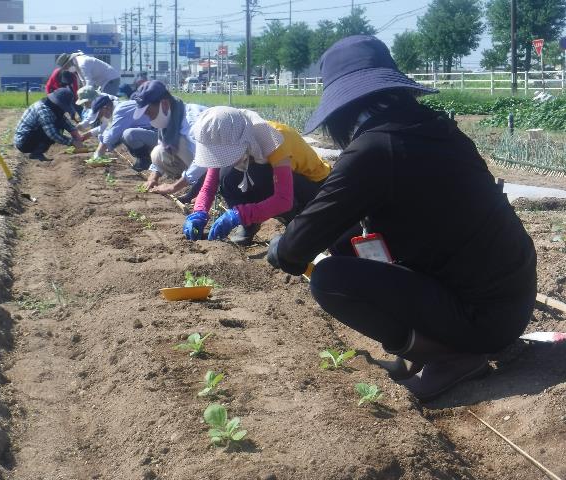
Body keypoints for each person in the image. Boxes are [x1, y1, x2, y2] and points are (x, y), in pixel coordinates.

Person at [266, 36, 537, 402]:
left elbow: (293, 253)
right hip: (513, 300)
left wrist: (280, 245)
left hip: (482, 318)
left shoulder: (374, 148)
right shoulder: (437, 128)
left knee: (330, 279)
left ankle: (450, 356)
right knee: (346, 240)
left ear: (343, 108)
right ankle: (426, 348)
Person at [183, 106, 332, 246]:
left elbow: (283, 199)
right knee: (226, 177)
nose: (219, 160)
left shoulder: (273, 138)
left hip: (314, 186)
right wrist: (199, 213)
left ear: (241, 144)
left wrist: (239, 214)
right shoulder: (225, 135)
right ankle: (250, 224)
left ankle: (295, 225)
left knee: (263, 176)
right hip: (277, 179)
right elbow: (209, 187)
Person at [132, 80, 208, 189]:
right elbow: (161, 152)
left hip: (219, 165)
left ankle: (202, 184)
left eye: (149, 113)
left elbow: (204, 159)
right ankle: (192, 179)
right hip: (198, 161)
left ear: (164, 104)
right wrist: (153, 178)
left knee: (181, 142)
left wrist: (174, 187)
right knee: (158, 152)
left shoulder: (192, 122)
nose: (149, 119)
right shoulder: (168, 121)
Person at [14, 88, 86, 161]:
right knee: (54, 129)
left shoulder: (52, 107)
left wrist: (75, 133)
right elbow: (52, 134)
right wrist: (72, 142)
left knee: (58, 124)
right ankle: (36, 152)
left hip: (31, 136)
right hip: (23, 142)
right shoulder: (43, 110)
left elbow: (64, 121)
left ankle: (37, 153)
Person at [86, 94, 157, 168]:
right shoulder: (118, 107)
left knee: (129, 134)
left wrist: (99, 154)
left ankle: (145, 161)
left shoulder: (120, 109)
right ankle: (146, 158)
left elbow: (113, 134)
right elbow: (108, 131)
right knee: (125, 135)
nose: (102, 117)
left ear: (105, 108)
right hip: (154, 133)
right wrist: (98, 152)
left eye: (101, 114)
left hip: (163, 137)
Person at [56, 52, 121, 96]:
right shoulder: (77, 64)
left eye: (66, 68)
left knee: (107, 101)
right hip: (104, 82)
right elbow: (83, 82)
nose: (67, 70)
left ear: (69, 63)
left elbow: (89, 83)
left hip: (110, 79)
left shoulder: (82, 64)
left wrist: (86, 96)